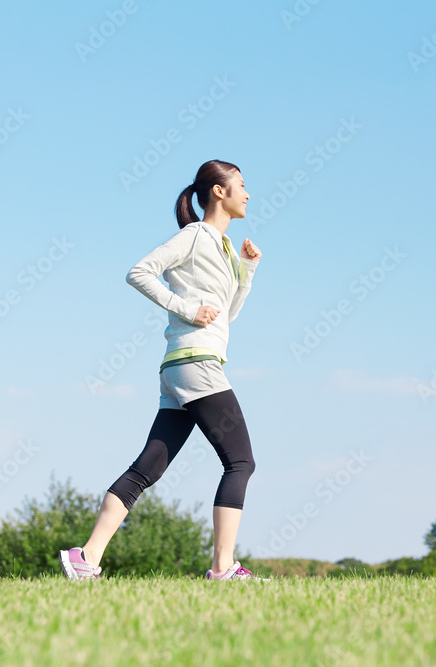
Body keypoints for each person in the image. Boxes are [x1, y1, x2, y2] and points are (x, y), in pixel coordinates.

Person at [59, 159, 268, 582]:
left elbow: (225, 315)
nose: (248, 194)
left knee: (147, 468)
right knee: (240, 462)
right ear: (219, 192)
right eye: (241, 185)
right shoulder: (193, 236)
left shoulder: (226, 248)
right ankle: (223, 567)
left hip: (181, 367)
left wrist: (246, 271)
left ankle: (86, 558)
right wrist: (186, 308)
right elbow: (139, 272)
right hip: (196, 363)